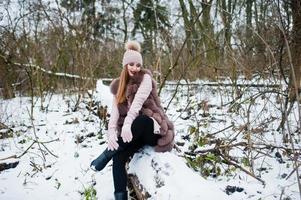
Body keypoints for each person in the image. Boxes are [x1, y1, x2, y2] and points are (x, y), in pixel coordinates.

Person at [90, 41, 174, 200]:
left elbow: (137, 105)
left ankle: (105, 155)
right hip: (135, 134)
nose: (135, 68)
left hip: (152, 129)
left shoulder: (145, 79)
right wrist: (111, 133)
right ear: (125, 65)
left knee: (142, 119)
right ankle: (120, 196)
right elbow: (114, 114)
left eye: (138, 65)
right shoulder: (118, 86)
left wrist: (127, 124)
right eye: (131, 64)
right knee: (118, 157)